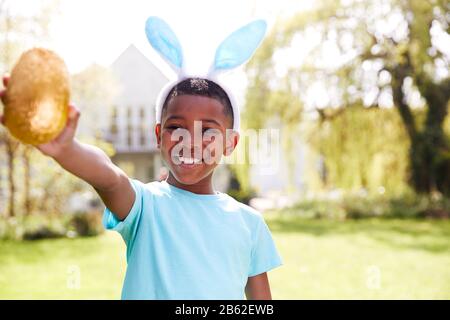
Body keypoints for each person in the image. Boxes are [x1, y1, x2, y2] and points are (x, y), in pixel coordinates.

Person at [0, 18, 282, 300]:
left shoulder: (250, 223)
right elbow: (109, 177)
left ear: (230, 142)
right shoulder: (145, 205)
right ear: (159, 135)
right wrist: (67, 150)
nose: (191, 141)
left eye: (207, 130)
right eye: (176, 127)